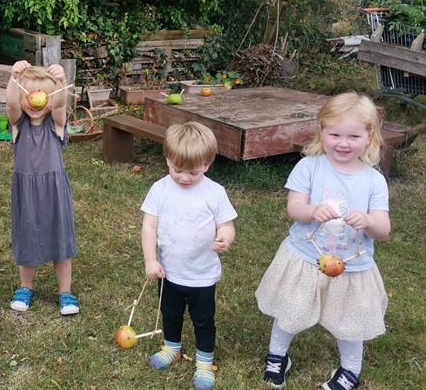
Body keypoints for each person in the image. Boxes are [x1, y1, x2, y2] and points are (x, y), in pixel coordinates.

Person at [255, 92, 390, 390]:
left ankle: (350, 370)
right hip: (305, 258)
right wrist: (314, 210)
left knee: (350, 321)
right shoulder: (309, 167)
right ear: (322, 131)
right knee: (290, 310)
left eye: (353, 136)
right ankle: (278, 356)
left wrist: (368, 221)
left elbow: (383, 228)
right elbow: (295, 209)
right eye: (335, 134)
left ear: (369, 137)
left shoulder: (373, 180)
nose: (343, 143)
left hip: (351, 266)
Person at [140, 122, 237, 390]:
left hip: (202, 275)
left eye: (192, 172)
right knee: (170, 313)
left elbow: (226, 225)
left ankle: (205, 362)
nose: (183, 177)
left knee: (203, 320)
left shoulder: (214, 193)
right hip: (168, 271)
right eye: (176, 170)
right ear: (168, 160)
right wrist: (151, 260)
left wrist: (225, 238)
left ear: (207, 164)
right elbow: (149, 226)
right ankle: (172, 347)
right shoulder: (160, 189)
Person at [5, 61, 80, 315]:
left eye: (43, 96)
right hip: (27, 192)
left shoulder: (56, 125)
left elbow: (60, 105)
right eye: (28, 95)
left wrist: (60, 82)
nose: (34, 101)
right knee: (27, 237)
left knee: (60, 238)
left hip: (54, 191)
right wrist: (13, 77)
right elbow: (11, 105)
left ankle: (65, 292)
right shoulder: (19, 126)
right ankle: (25, 286)